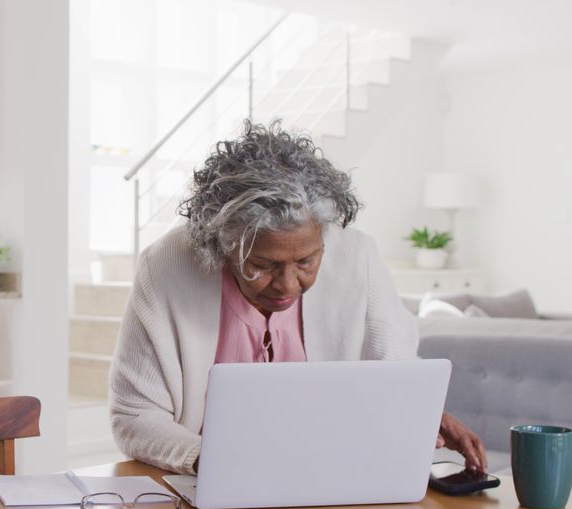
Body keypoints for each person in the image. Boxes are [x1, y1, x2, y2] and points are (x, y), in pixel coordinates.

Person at [108, 121, 487, 475]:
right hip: (209, 484)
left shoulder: (358, 258)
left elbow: (395, 374)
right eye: (262, 265)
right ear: (222, 244)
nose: (288, 285)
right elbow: (135, 415)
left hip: (333, 473)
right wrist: (214, 461)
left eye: (306, 261)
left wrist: (420, 411)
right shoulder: (167, 266)